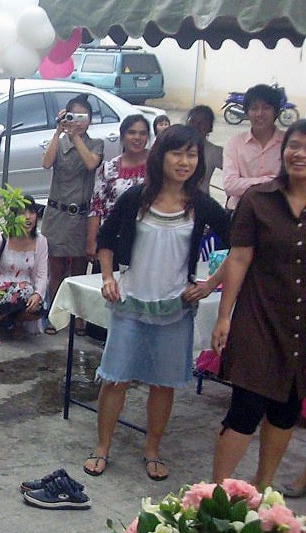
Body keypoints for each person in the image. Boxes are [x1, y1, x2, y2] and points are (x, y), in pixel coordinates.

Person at [86, 124, 228, 480]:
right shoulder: (137, 198)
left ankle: (152, 451)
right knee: (116, 379)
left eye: (191, 155)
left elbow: (239, 245)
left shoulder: (202, 204)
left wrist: (210, 283)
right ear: (160, 156)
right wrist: (107, 277)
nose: (184, 162)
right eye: (176, 153)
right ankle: (102, 448)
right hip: (131, 302)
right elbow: (105, 238)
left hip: (175, 308)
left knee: (163, 384)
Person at [210, 119, 306, 490]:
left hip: (301, 326)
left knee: (286, 408)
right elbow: (238, 259)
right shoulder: (259, 200)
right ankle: (215, 492)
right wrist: (224, 316)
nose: (299, 154)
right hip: (260, 317)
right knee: (246, 407)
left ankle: (262, 490)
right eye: (294, 145)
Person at [41, 94, 104, 335]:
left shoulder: (95, 143)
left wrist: (75, 136)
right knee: (55, 269)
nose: (78, 121)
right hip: (56, 214)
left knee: (78, 270)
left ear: (89, 120)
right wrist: (58, 132)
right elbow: (46, 163)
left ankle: (78, 317)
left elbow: (90, 164)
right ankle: (55, 317)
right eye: (73, 116)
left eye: (83, 117)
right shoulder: (60, 141)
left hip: (80, 216)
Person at [0, 195, 48, 346]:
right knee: (23, 289)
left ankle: (18, 322)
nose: (28, 218)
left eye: (31, 212)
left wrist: (37, 294)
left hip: (25, 291)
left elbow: (42, 273)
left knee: (40, 305)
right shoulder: (1, 240)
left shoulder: (41, 241)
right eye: (22, 213)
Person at [87, 114, 150, 261]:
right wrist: (91, 241)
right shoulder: (109, 168)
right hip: (113, 240)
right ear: (122, 136)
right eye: (132, 132)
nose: (137, 137)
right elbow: (96, 207)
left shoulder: (158, 166)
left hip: (147, 240)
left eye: (142, 133)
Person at [223, 83, 285, 210]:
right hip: (240, 211)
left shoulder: (288, 143)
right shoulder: (234, 143)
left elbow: (292, 184)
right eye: (254, 108)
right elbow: (230, 185)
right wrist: (272, 181)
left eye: (266, 108)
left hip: (278, 213)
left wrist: (245, 183)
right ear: (247, 112)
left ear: (276, 111)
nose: (259, 113)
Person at [186, 105, 223, 195]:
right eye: (193, 121)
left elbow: (236, 172)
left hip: (201, 202)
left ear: (210, 127)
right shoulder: (173, 145)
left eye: (202, 122)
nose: (196, 126)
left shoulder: (214, 151)